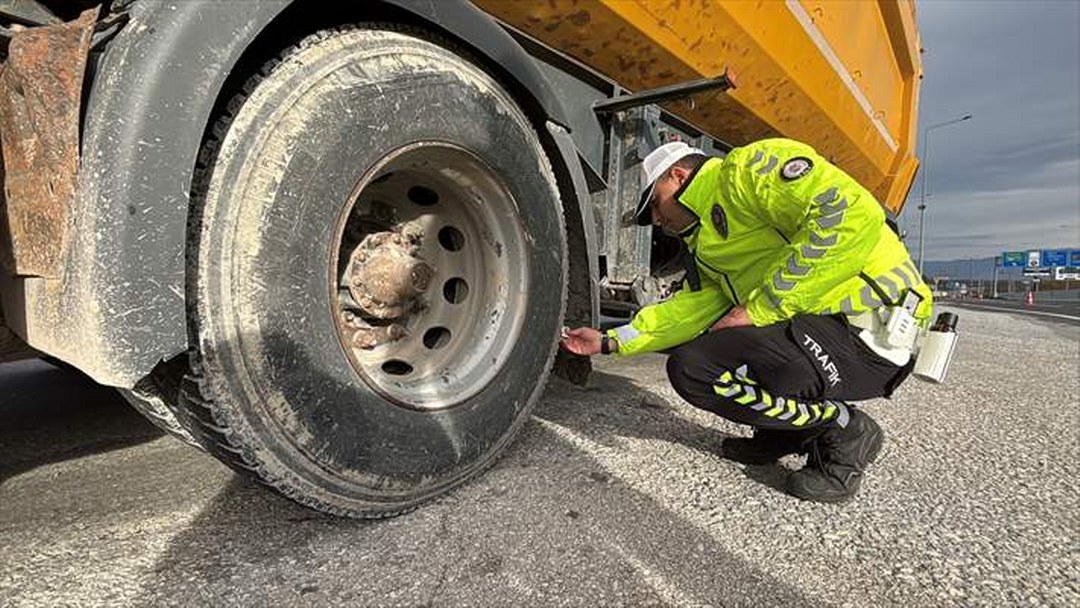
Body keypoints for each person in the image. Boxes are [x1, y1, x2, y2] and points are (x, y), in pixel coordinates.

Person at [561, 139, 933, 503]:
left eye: (654, 205)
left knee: (749, 344)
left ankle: (845, 429)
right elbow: (693, 309)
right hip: (814, 327)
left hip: (870, 330)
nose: (657, 221)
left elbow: (850, 215)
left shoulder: (747, 171)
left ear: (677, 175)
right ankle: (785, 431)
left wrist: (761, 308)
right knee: (695, 365)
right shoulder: (705, 244)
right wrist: (610, 340)